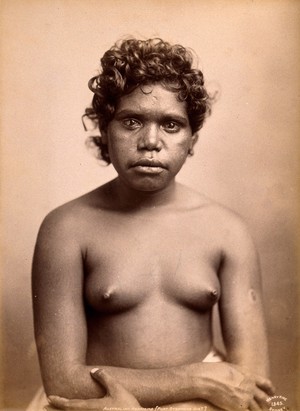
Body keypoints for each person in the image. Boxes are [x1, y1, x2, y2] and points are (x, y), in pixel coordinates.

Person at [29, 38, 274, 411]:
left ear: (192, 140)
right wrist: (197, 378)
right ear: (104, 132)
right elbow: (63, 381)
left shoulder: (227, 231)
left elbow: (251, 384)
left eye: (172, 125)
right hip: (99, 406)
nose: (150, 142)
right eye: (131, 121)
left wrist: (203, 390)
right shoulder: (65, 229)